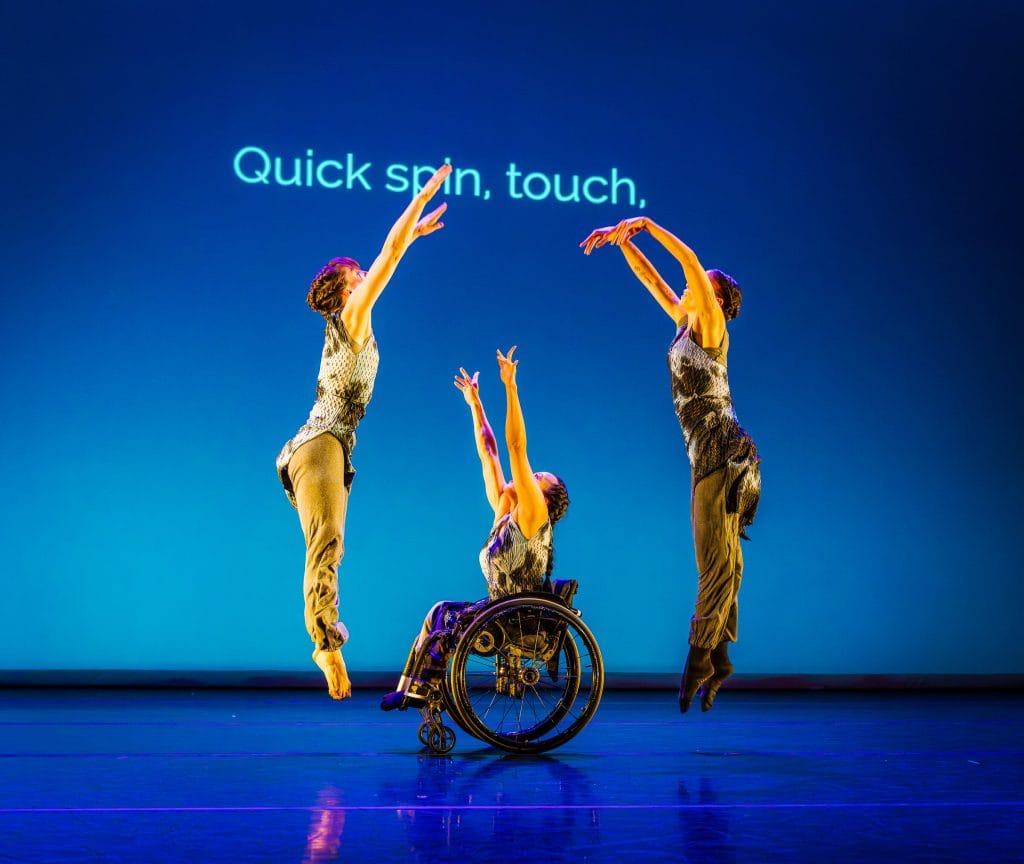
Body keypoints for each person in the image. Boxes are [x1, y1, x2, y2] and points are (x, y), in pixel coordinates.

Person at [276, 164, 451, 699]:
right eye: (360, 273)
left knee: (330, 544)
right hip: (320, 443)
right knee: (326, 543)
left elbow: (391, 255)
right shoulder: (351, 317)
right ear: (347, 285)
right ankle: (325, 642)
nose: (367, 278)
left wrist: (413, 236)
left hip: (327, 450)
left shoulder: (350, 324)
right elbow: (390, 253)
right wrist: (420, 198)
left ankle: (327, 633)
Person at [581, 217, 760, 713]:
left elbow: (686, 262)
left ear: (715, 298)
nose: (686, 289)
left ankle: (700, 656)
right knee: (719, 557)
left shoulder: (711, 324)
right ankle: (719, 653)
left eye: (699, 287)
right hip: (705, 451)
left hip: (724, 450)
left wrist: (644, 224)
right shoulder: (686, 325)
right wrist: (623, 246)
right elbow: (655, 281)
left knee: (714, 560)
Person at [381, 347, 570, 709]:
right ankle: (411, 688)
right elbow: (490, 452)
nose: (528, 477)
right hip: (500, 610)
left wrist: (510, 387)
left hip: (519, 618)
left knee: (446, 622)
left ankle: (423, 689)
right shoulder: (506, 509)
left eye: (537, 478)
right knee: (439, 611)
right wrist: (475, 404)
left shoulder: (533, 516)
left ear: (541, 497)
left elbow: (516, 447)